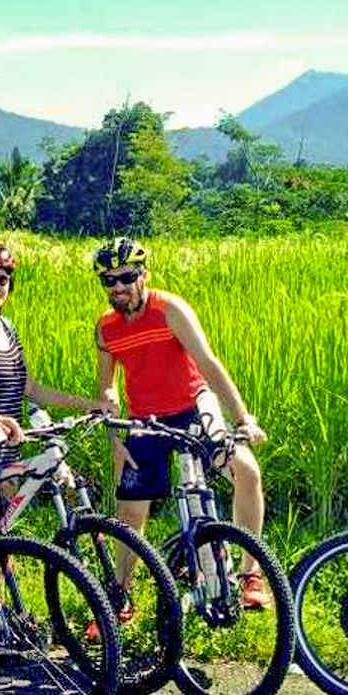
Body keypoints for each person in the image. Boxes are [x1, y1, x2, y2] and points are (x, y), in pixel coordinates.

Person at [92, 236, 273, 609]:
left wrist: (242, 417)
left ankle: (250, 575)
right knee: (129, 512)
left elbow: (208, 363)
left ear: (144, 275)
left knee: (246, 471)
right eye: (109, 280)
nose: (118, 287)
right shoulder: (106, 328)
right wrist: (115, 437)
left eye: (126, 277)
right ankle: (119, 598)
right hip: (146, 419)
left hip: (194, 407)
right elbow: (106, 388)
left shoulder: (170, 309)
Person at [0, 240, 108, 460]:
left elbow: (31, 389)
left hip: (8, 455)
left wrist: (88, 405)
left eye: (2, 279)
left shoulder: (8, 330)